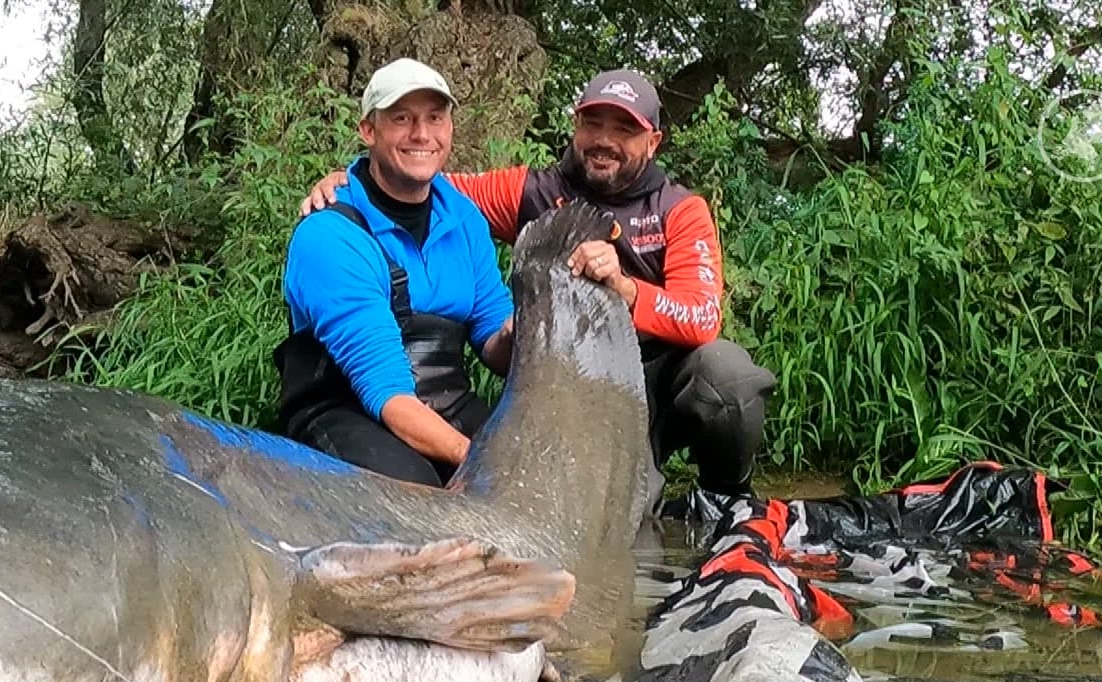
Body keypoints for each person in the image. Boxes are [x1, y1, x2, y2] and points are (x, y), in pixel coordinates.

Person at [299, 68, 775, 501]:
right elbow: (417, 175)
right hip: (573, 390)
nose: (605, 139)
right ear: (575, 126)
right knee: (574, 503)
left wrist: (627, 291)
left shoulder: (679, 209)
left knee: (728, 375)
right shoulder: (530, 192)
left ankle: (725, 499)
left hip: (659, 379)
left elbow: (702, 317)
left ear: (653, 142)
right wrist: (348, 177)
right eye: (594, 124)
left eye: (625, 128)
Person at [274, 58, 516, 487]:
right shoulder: (329, 235)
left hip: (447, 402)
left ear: (449, 128)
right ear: (369, 130)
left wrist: (516, 331)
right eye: (401, 119)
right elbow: (388, 395)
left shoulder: (465, 219)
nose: (421, 134)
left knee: (540, 478)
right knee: (418, 491)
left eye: (434, 118)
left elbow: (494, 342)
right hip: (349, 408)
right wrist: (481, 463)